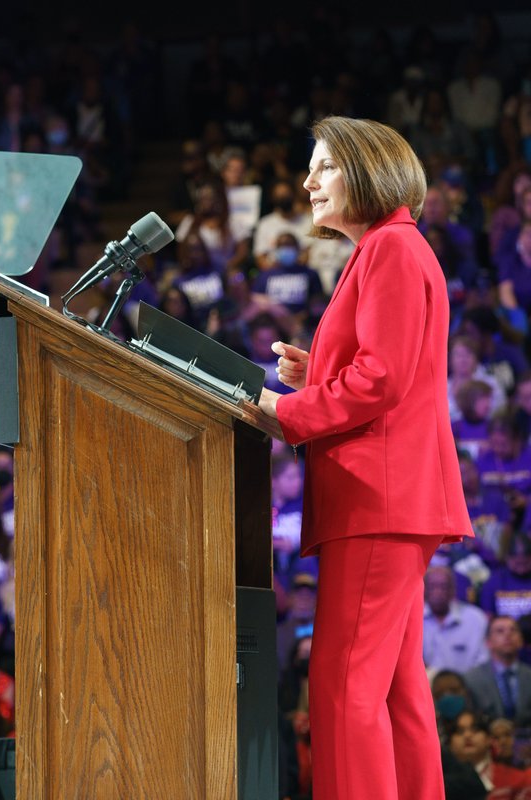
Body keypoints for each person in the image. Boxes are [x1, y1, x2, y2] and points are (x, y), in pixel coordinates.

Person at [249, 116, 472, 800]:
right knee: (397, 694)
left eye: (324, 166)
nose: (308, 181)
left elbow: (380, 382)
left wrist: (284, 411)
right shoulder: (390, 249)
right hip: (390, 496)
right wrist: (317, 375)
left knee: (344, 690)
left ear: (368, 169)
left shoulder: (391, 250)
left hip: (378, 500)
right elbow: (391, 373)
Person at [463, 616, 531, 728]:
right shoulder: (471, 679)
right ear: (488, 642)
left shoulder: (529, 675)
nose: (508, 635)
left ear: (520, 640)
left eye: (513, 630)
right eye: (500, 631)